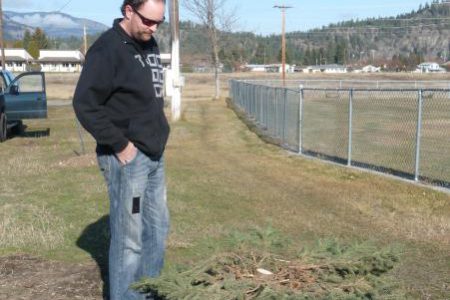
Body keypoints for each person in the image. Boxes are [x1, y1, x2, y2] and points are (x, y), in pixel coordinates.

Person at [73, 0, 170, 299]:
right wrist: (120, 144)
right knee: (130, 239)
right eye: (148, 21)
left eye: (159, 22)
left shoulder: (148, 43)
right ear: (129, 10)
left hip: (154, 154)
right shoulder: (106, 50)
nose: (153, 28)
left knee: (157, 229)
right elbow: (85, 104)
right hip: (128, 159)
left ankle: (148, 291)